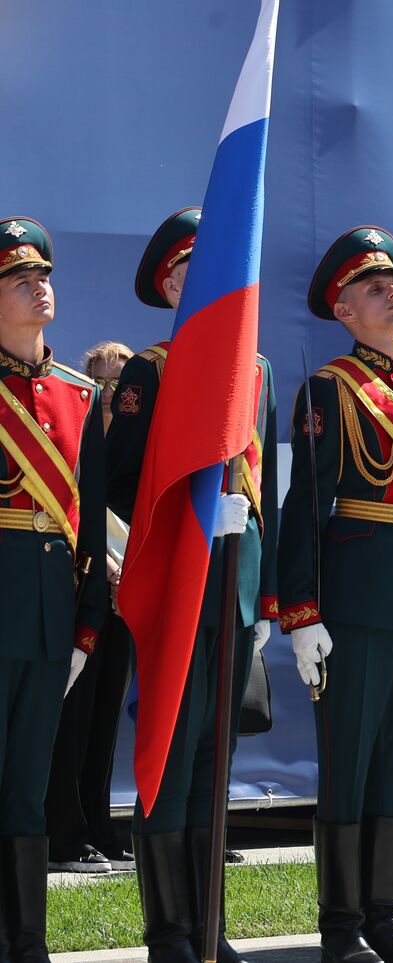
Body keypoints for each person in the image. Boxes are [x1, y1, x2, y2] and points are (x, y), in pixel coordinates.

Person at [279, 226, 393, 963]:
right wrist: (300, 611)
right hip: (352, 602)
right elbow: (304, 507)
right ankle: (340, 927)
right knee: (348, 768)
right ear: (345, 310)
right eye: (373, 289)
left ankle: (384, 919)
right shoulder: (328, 386)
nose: (392, 294)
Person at [108, 208, 279, 963]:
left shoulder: (259, 369)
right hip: (180, 582)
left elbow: (262, 488)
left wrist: (264, 593)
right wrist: (184, 515)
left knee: (215, 762)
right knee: (170, 761)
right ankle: (168, 930)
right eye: (195, 270)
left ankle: (210, 924)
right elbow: (117, 487)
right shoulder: (150, 369)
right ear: (175, 282)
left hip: (234, 590)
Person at [0, 216, 106, 962]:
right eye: (18, 278)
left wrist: (86, 626)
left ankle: (25, 939)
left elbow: (91, 526)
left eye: (43, 275)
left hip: (47, 616)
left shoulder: (79, 396)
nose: (40, 285)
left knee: (28, 785)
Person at [46, 341, 136, 875]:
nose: (110, 395)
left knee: (106, 711)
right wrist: (98, 554)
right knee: (73, 715)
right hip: (82, 585)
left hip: (126, 592)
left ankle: (100, 825)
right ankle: (67, 829)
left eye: (121, 386)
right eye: (100, 384)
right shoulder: (72, 424)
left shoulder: (137, 438)